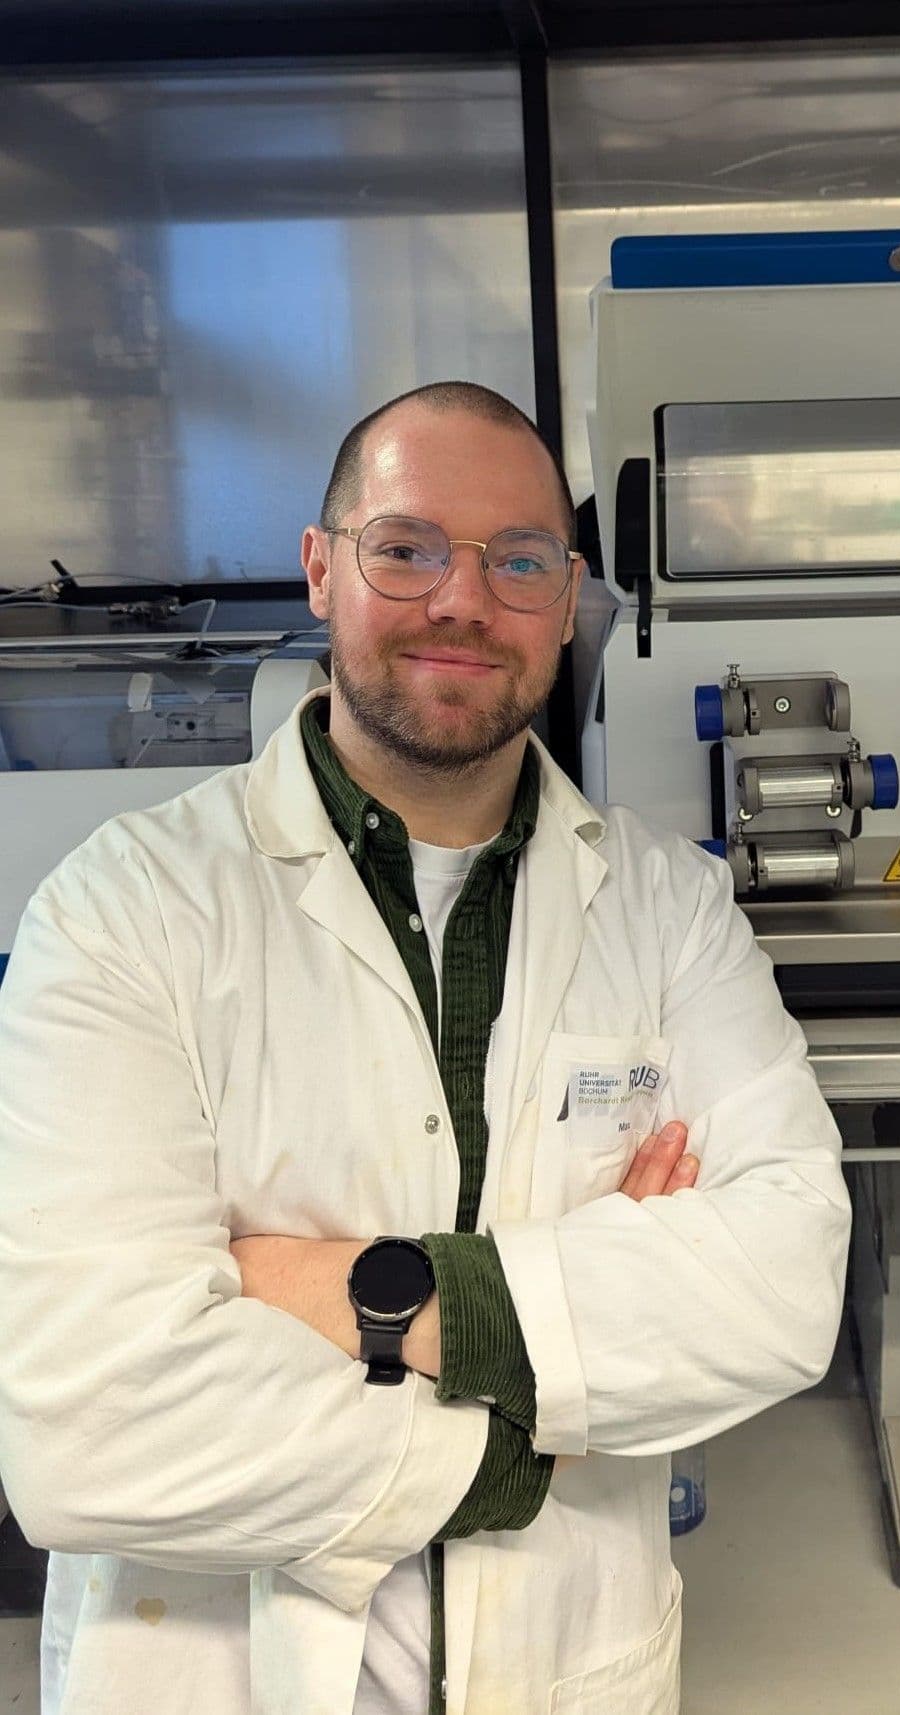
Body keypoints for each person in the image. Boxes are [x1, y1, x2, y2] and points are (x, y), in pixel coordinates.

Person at [0, 381, 849, 1715]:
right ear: (320, 569)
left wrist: (310, 1285)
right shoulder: (125, 909)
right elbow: (88, 1436)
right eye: (405, 549)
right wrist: (537, 1423)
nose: (463, 601)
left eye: (519, 560)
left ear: (565, 601)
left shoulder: (669, 906)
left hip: (574, 1670)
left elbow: (786, 1286)